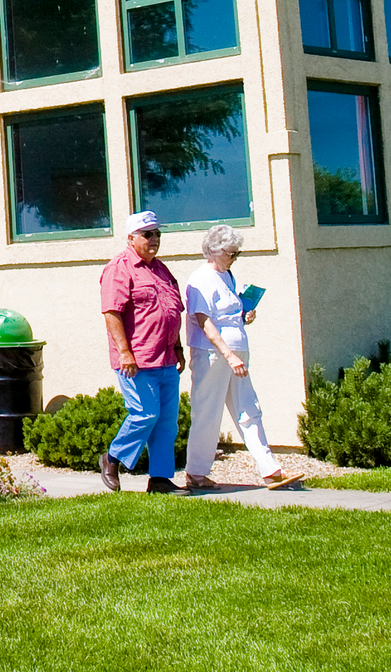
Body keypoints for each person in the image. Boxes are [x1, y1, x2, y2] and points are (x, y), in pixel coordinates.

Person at [182, 223, 292, 488]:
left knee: (249, 409)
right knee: (207, 412)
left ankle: (270, 469)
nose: (234, 258)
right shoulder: (200, 280)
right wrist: (229, 355)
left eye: (237, 253)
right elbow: (205, 323)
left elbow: (232, 314)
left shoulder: (228, 276)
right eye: (231, 253)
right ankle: (196, 473)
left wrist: (246, 315)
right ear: (215, 251)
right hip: (212, 355)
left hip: (237, 352)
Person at [97, 211, 185, 493]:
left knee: (166, 422)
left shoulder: (161, 269)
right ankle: (112, 458)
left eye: (158, 233)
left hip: (166, 359)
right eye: (148, 234)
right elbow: (112, 313)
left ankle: (159, 479)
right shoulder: (119, 268)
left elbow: (172, 312)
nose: (154, 239)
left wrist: (178, 346)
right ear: (131, 238)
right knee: (145, 414)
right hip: (137, 360)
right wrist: (125, 352)